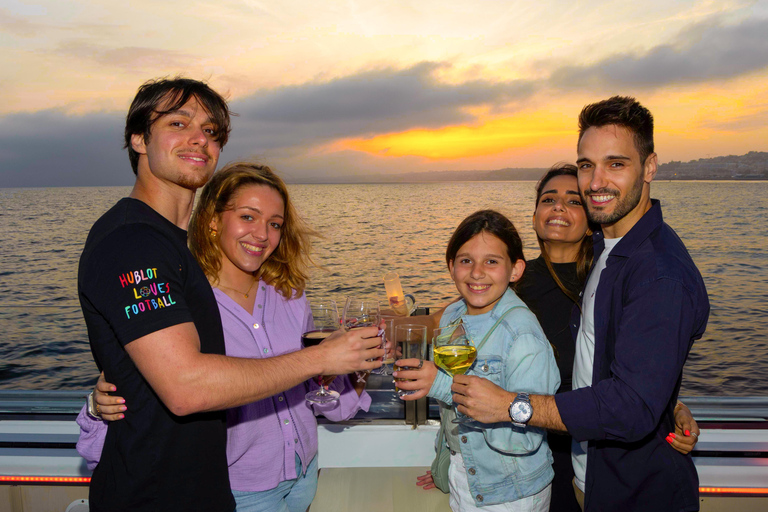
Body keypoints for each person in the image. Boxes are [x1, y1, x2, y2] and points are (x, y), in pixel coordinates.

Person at [77, 78, 383, 512]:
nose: (199, 138)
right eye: (179, 123)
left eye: (211, 131)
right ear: (138, 138)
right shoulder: (133, 242)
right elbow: (185, 386)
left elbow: (152, 368)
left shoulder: (172, 251)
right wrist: (322, 358)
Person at [450, 97, 709, 512]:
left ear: (650, 167)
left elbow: (630, 407)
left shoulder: (658, 274)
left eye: (616, 164)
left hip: (633, 492)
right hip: (584, 476)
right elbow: (617, 366)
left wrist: (511, 405)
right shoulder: (611, 251)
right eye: (587, 164)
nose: (595, 181)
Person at [397, 210, 561, 511]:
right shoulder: (452, 315)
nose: (476, 272)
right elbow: (450, 415)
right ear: (451, 266)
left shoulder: (522, 335)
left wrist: (439, 384)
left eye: (492, 261)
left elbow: (523, 440)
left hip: (511, 492)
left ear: (515, 270)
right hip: (468, 476)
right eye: (465, 260)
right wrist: (446, 465)